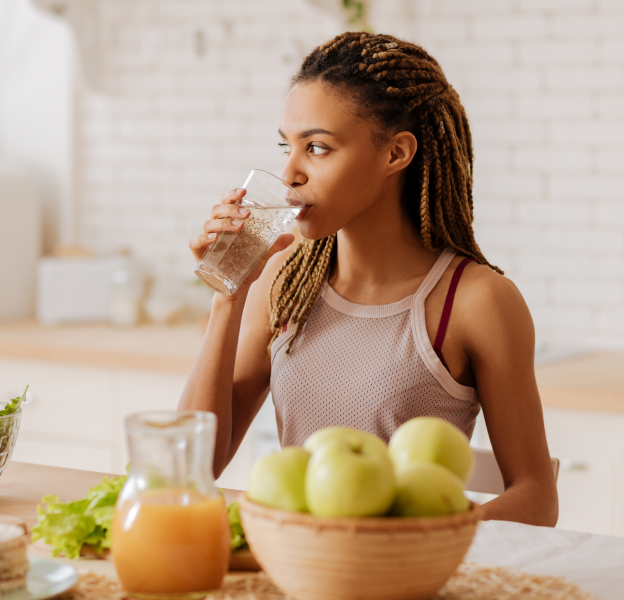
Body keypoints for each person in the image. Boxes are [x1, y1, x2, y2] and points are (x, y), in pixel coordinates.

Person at [179, 32, 558, 527]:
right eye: (286, 146)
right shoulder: (283, 280)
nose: (289, 172)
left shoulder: (475, 301)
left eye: (316, 147)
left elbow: (535, 497)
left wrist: (418, 541)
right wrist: (228, 295)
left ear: (396, 153)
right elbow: (190, 468)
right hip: (301, 571)